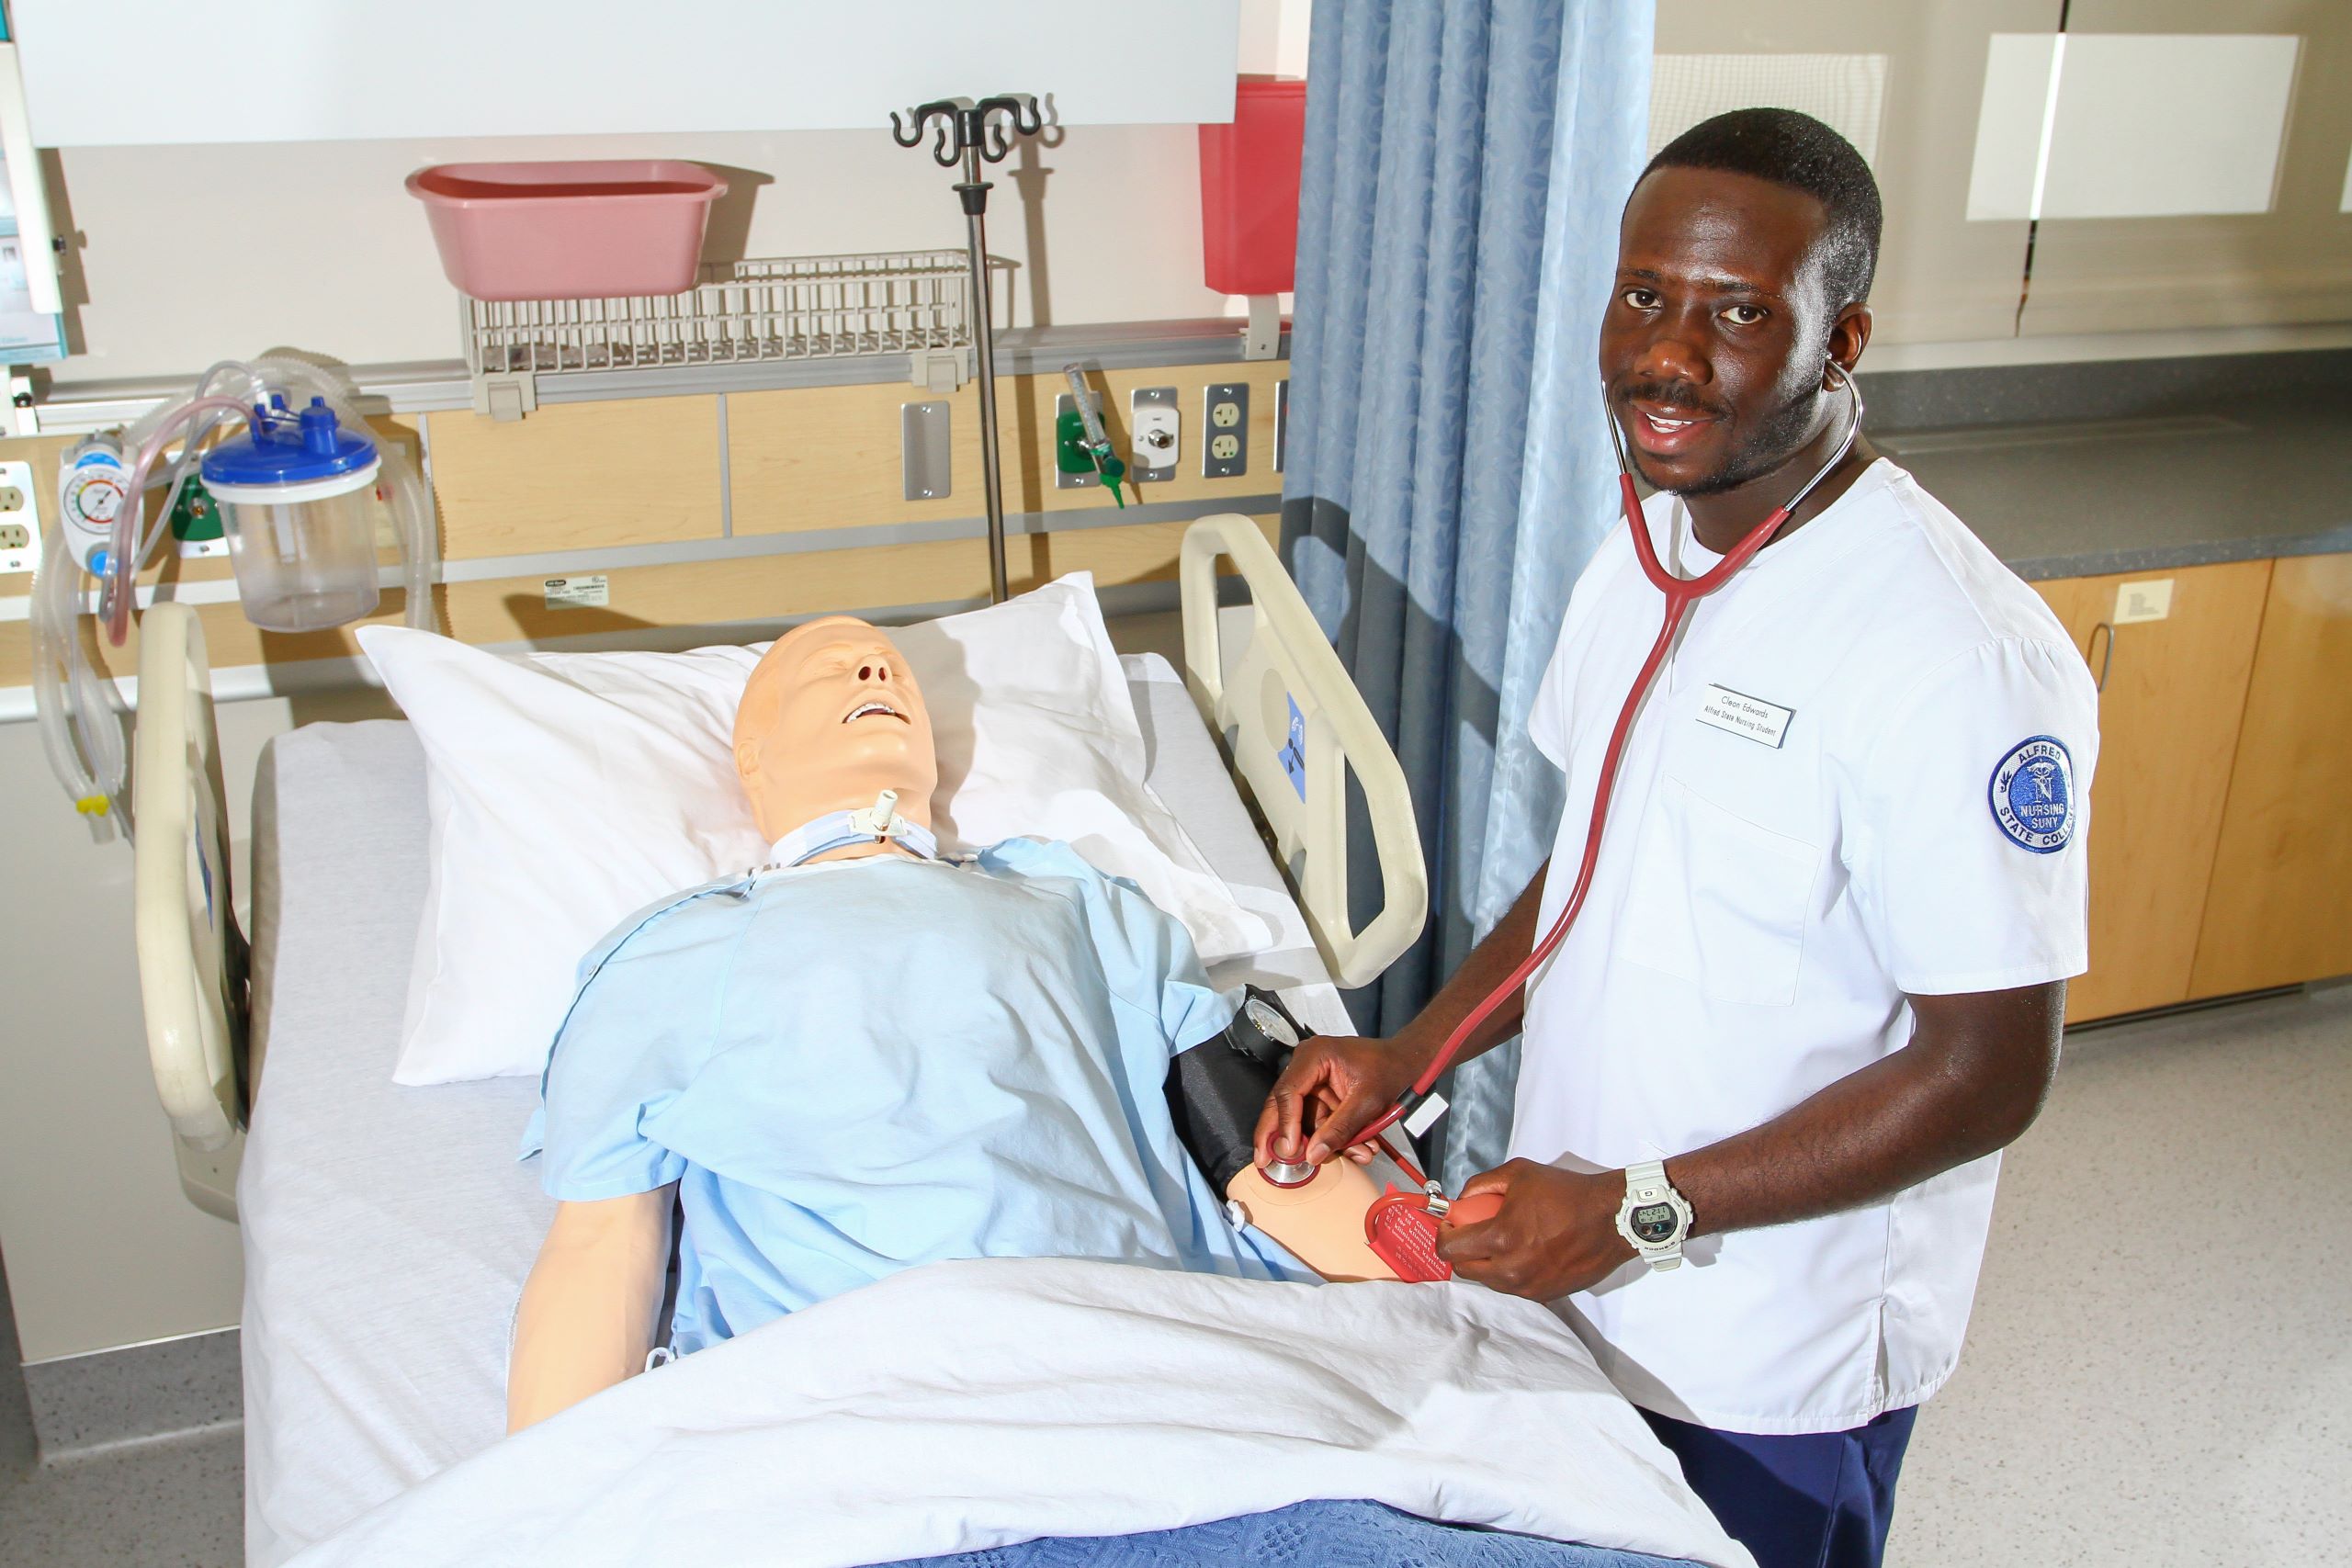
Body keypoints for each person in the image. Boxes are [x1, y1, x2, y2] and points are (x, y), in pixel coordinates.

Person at [1258, 108, 2098, 1568]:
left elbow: (1988, 1072)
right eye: (1647, 296)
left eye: (1737, 313)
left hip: (1769, 1339)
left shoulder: (1953, 653)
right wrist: (1416, 1050)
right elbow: (1593, 871)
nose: (1667, 352)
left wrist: (1645, 1206)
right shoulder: (1648, 548)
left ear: (1843, 342)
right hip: (1577, 1277)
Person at [506, 617, 1399, 1434]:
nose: (873, 665)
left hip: (1133, 1377)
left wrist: (1442, 1326)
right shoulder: (668, 949)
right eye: (830, 668)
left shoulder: (1074, 899)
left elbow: (1252, 1146)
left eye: (893, 666)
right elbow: (600, 1243)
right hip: (847, 1408)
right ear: (752, 751)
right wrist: (542, 1508)